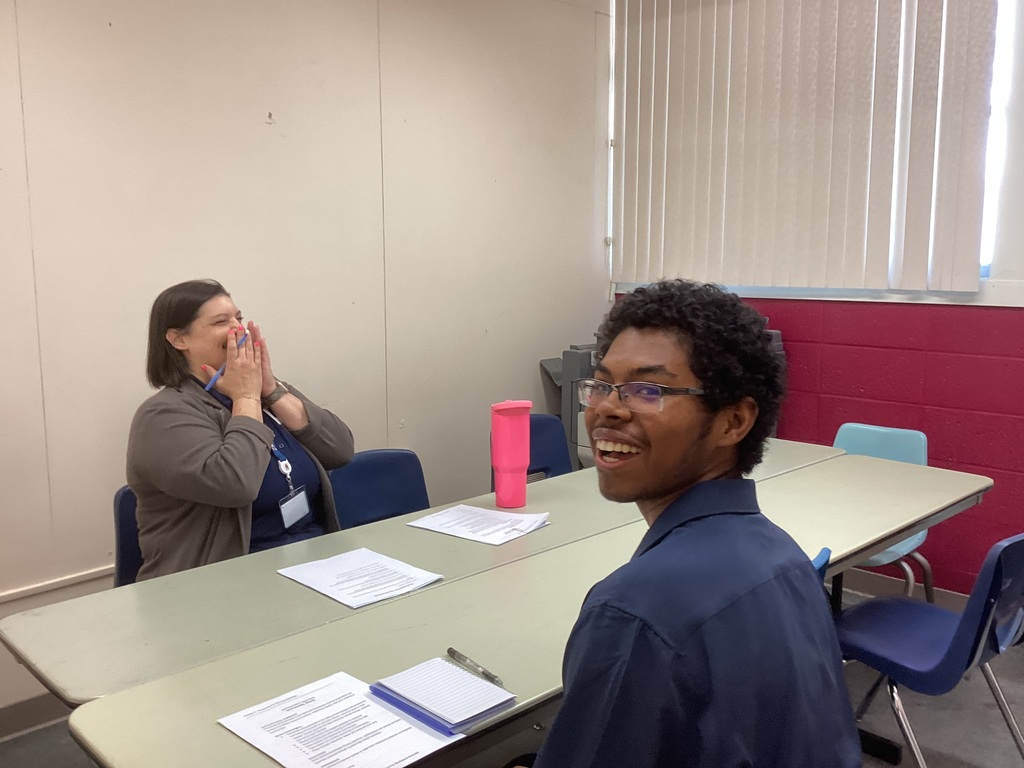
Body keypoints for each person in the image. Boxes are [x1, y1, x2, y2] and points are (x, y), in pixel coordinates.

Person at [529, 279, 861, 767]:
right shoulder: (784, 557)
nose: (606, 408)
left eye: (648, 390)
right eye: (601, 384)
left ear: (733, 422)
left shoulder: (633, 612)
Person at [126, 279, 355, 580]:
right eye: (222, 322)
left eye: (239, 317)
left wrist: (271, 391)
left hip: (312, 565)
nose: (239, 329)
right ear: (179, 339)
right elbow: (236, 484)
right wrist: (246, 397)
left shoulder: (262, 395)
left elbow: (340, 450)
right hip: (221, 585)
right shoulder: (163, 415)